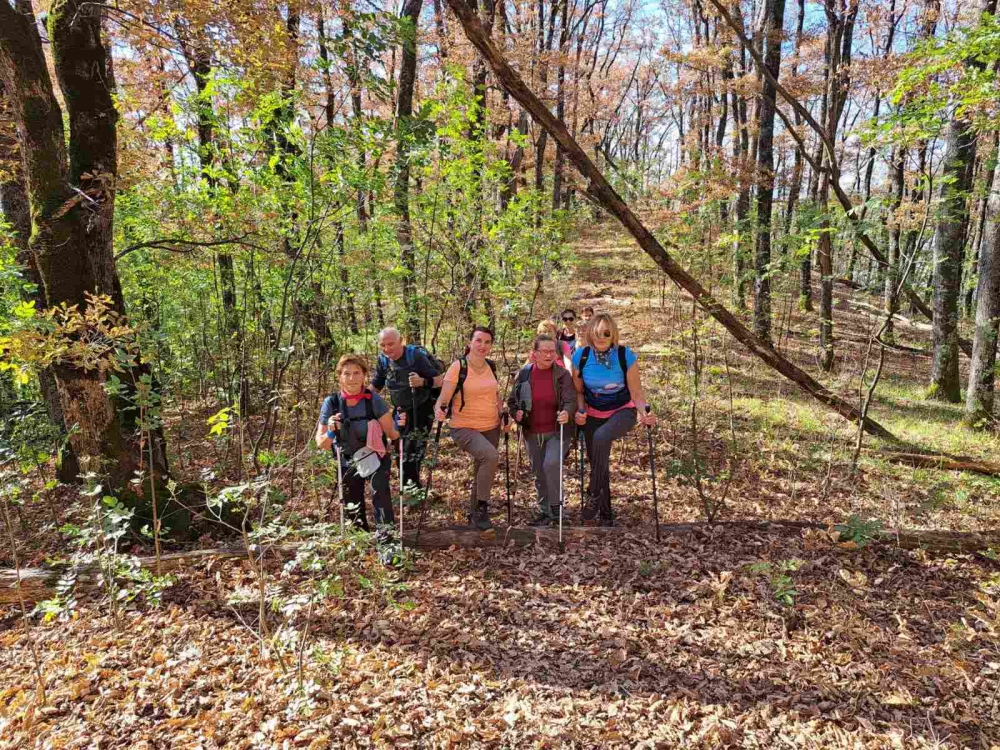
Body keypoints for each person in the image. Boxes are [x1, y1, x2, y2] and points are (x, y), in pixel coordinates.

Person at [572, 313, 655, 526]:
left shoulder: (625, 355)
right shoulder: (580, 357)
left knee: (601, 437)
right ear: (590, 333)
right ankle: (606, 516)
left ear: (613, 334)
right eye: (597, 332)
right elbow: (579, 392)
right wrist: (580, 411)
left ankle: (592, 493)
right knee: (599, 463)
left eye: (606, 333)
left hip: (622, 412)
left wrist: (644, 413)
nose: (601, 337)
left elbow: (636, 393)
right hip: (593, 413)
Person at [316, 354, 405, 539]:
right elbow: (322, 444)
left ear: (364, 375)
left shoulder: (373, 399)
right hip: (347, 458)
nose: (352, 378)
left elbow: (392, 433)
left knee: (380, 492)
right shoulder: (331, 403)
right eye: (346, 374)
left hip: (375, 454)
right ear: (339, 376)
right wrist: (332, 431)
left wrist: (400, 423)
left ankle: (387, 540)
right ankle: (360, 540)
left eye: (357, 373)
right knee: (352, 503)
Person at [434, 326, 509, 531]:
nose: (482, 345)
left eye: (487, 342)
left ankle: (475, 514)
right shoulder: (458, 367)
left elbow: (494, 394)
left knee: (482, 468)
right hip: (464, 427)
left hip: (491, 425)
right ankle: (483, 507)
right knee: (491, 456)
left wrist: (503, 413)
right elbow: (444, 397)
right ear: (470, 342)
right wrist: (439, 410)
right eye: (478, 341)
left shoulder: (491, 366)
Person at [508, 335, 575, 527]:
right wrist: (516, 414)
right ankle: (544, 511)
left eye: (552, 351)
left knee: (551, 464)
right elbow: (513, 401)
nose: (549, 355)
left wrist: (566, 412)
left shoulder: (562, 375)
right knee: (539, 471)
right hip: (531, 432)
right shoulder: (524, 374)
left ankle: (556, 508)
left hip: (556, 430)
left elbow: (570, 400)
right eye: (544, 351)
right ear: (535, 353)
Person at [372, 327, 443, 492]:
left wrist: (422, 382)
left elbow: (439, 380)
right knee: (400, 450)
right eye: (383, 345)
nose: (387, 349)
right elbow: (377, 383)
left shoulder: (415, 356)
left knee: (414, 451)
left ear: (401, 341)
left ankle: (412, 492)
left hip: (421, 409)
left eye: (391, 344)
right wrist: (360, 396)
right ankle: (410, 489)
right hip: (399, 411)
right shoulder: (383, 360)